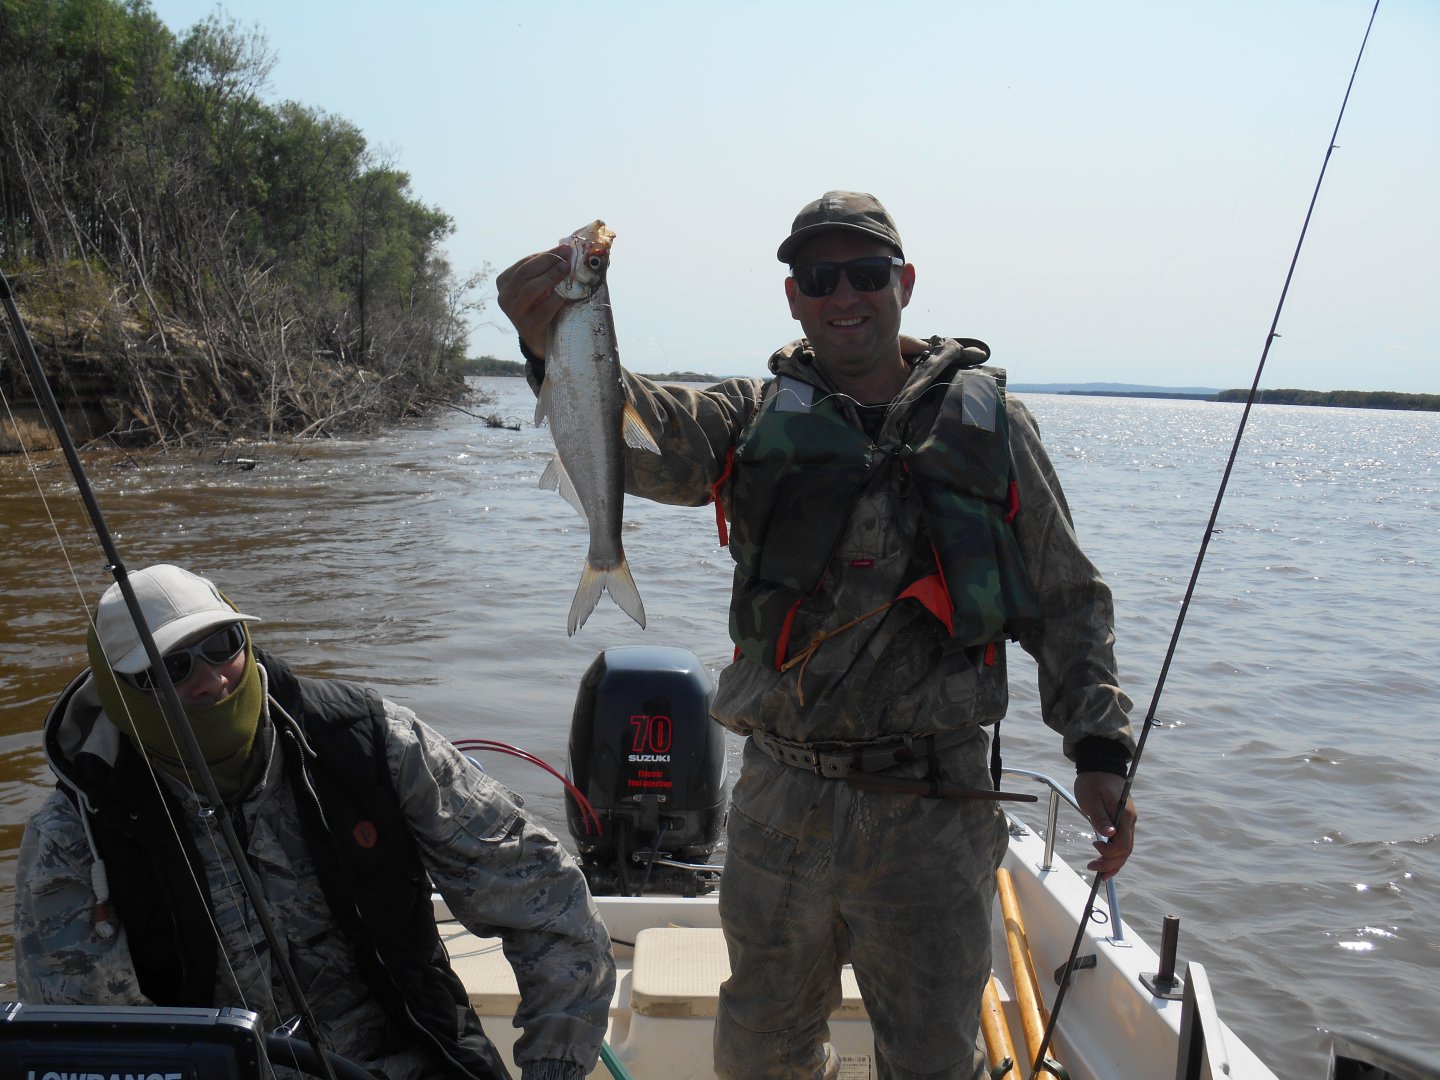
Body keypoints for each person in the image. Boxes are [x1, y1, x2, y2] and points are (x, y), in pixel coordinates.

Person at [495, 191, 1139, 1080]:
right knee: (758, 1056)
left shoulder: (990, 423)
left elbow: (1068, 596)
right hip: (782, 805)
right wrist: (547, 348)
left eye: (866, 273)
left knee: (933, 1063)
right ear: (793, 297)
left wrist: (1100, 748)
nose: (845, 295)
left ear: (904, 284)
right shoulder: (750, 415)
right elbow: (644, 441)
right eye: (819, 276)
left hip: (935, 810)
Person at [14, 563, 615, 1080]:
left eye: (223, 643)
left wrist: (552, 1066)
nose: (211, 680)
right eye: (171, 669)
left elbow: (546, 898)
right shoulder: (75, 838)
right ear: (121, 694)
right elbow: (85, 1038)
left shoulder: (371, 743)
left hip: (418, 1062)